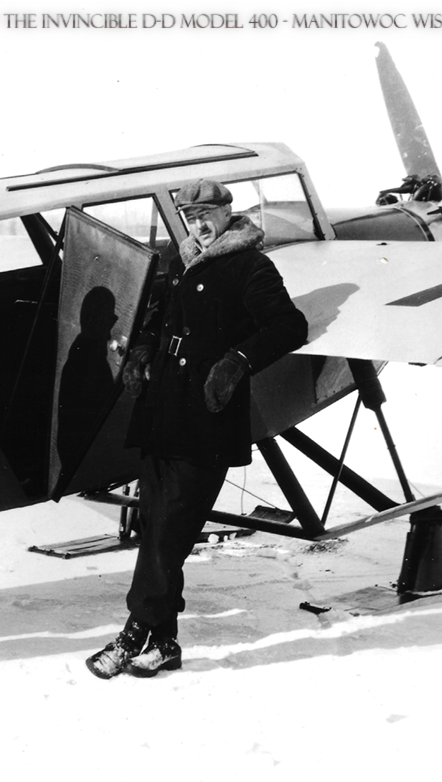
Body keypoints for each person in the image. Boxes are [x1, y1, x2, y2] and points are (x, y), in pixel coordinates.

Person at [86, 178, 308, 679]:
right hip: (162, 412)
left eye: (207, 213)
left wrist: (237, 361)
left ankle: (132, 634)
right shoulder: (182, 260)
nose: (199, 223)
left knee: (170, 536)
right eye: (190, 216)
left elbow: (289, 325)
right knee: (158, 529)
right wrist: (143, 347)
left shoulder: (252, 265)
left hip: (205, 420)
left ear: (230, 212)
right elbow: (161, 316)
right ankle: (164, 643)